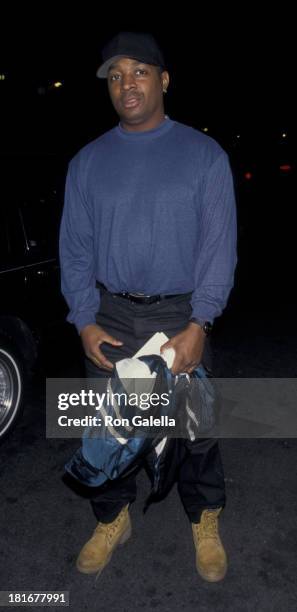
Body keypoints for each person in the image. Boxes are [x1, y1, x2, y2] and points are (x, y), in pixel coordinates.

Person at [59, 31, 237, 582]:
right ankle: (113, 518)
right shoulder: (87, 162)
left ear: (163, 80)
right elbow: (75, 248)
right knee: (106, 425)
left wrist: (200, 321)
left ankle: (204, 518)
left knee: (193, 427)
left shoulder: (204, 155)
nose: (125, 84)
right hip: (111, 315)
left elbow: (218, 245)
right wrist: (83, 318)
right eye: (115, 76)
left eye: (138, 72)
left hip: (177, 315)